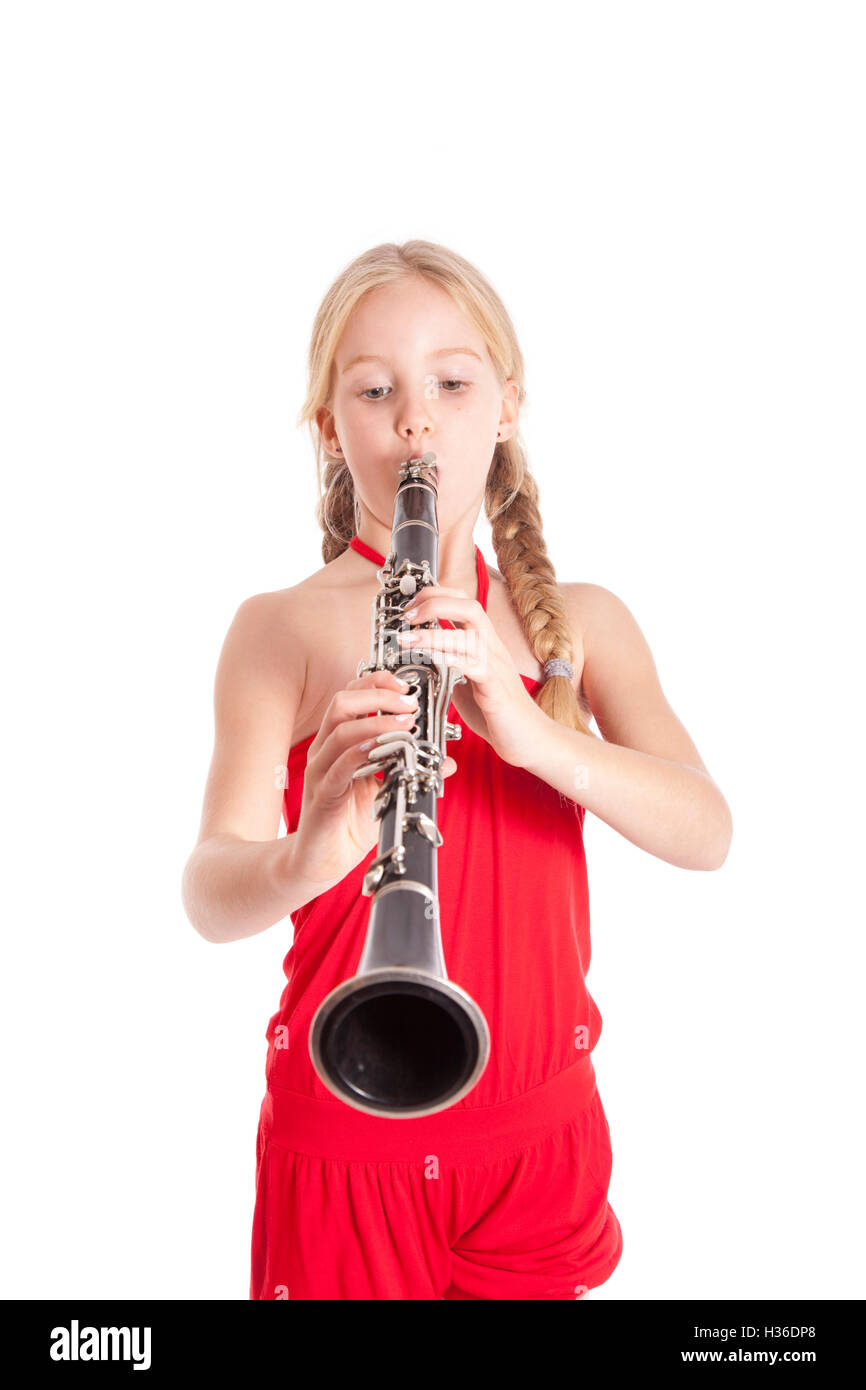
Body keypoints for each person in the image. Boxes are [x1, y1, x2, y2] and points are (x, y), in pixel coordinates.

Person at [182, 240, 733, 1300]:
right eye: (374, 388)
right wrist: (309, 852)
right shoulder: (278, 628)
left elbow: (705, 830)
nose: (415, 420)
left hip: (538, 1143)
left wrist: (530, 735)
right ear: (328, 424)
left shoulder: (578, 620)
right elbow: (210, 891)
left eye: (450, 380)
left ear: (507, 403)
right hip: (349, 1130)